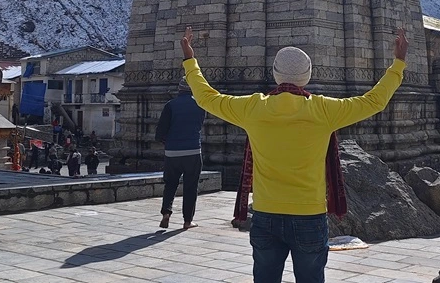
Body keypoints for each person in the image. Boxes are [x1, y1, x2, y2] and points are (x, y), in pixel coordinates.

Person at [181, 25, 409, 283]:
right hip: (309, 216)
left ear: (276, 75)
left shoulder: (253, 107)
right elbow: (373, 101)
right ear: (307, 77)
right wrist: (398, 63)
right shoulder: (324, 110)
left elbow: (207, 97)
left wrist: (190, 61)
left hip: (266, 214)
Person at [155, 77, 206, 231]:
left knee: (170, 184)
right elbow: (200, 125)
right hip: (192, 151)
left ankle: (166, 213)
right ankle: (187, 221)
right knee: (191, 187)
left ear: (179, 89)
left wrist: (169, 143)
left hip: (172, 153)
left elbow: (159, 134)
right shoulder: (199, 104)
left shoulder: (170, 106)